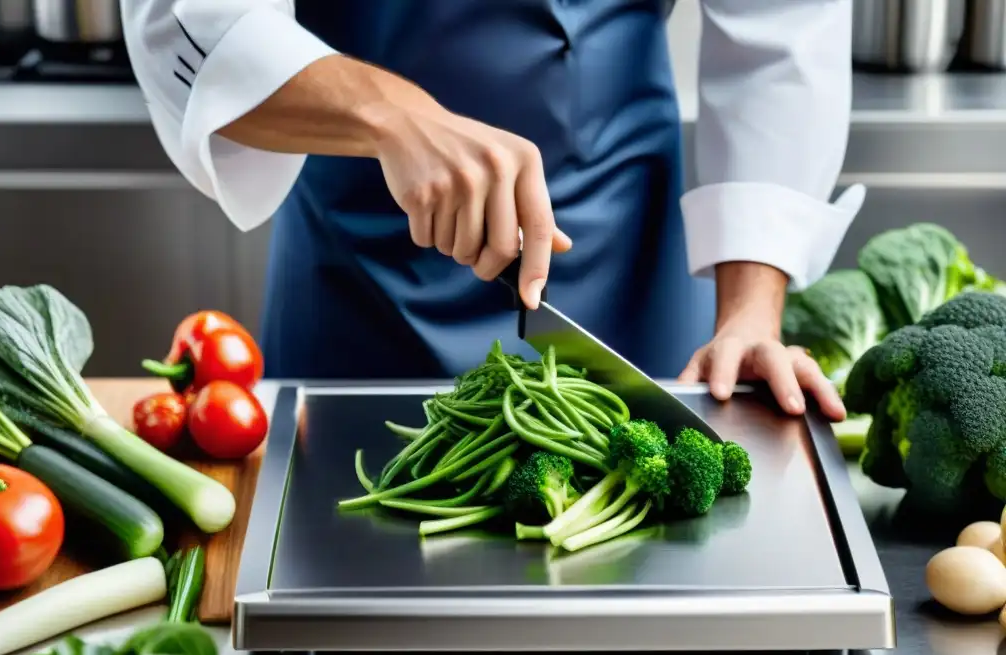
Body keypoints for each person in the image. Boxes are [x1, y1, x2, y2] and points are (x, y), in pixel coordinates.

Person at [122, 0, 862, 421]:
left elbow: (782, 30)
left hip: (628, 260)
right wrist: (392, 116)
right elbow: (185, 16)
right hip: (360, 276)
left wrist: (750, 313)